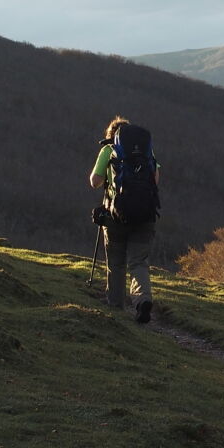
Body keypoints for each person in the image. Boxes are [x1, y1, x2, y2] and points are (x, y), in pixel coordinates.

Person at [90, 116, 158, 323]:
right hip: (146, 216)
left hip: (115, 216)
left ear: (112, 136)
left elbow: (94, 181)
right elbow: (156, 180)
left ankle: (116, 307)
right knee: (138, 262)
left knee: (116, 263)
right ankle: (142, 300)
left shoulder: (108, 150)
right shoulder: (146, 152)